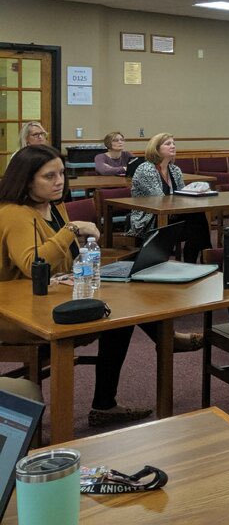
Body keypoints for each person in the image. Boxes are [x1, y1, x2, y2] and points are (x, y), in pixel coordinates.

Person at [0, 144, 151, 427]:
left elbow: (63, 258)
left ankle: (105, 405)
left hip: (50, 295)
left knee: (125, 306)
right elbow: (35, 264)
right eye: (49, 176)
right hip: (15, 312)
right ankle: (102, 405)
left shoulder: (53, 206)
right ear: (26, 179)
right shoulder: (14, 213)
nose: (59, 181)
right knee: (116, 314)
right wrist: (70, 231)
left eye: (61, 174)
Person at [128, 133, 211, 263]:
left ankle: (196, 256)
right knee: (197, 225)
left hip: (171, 213)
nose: (172, 146)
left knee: (198, 216)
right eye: (168, 144)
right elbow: (159, 199)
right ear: (156, 148)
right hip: (150, 217)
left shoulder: (175, 169)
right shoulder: (145, 169)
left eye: (173, 143)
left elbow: (183, 196)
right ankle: (201, 257)